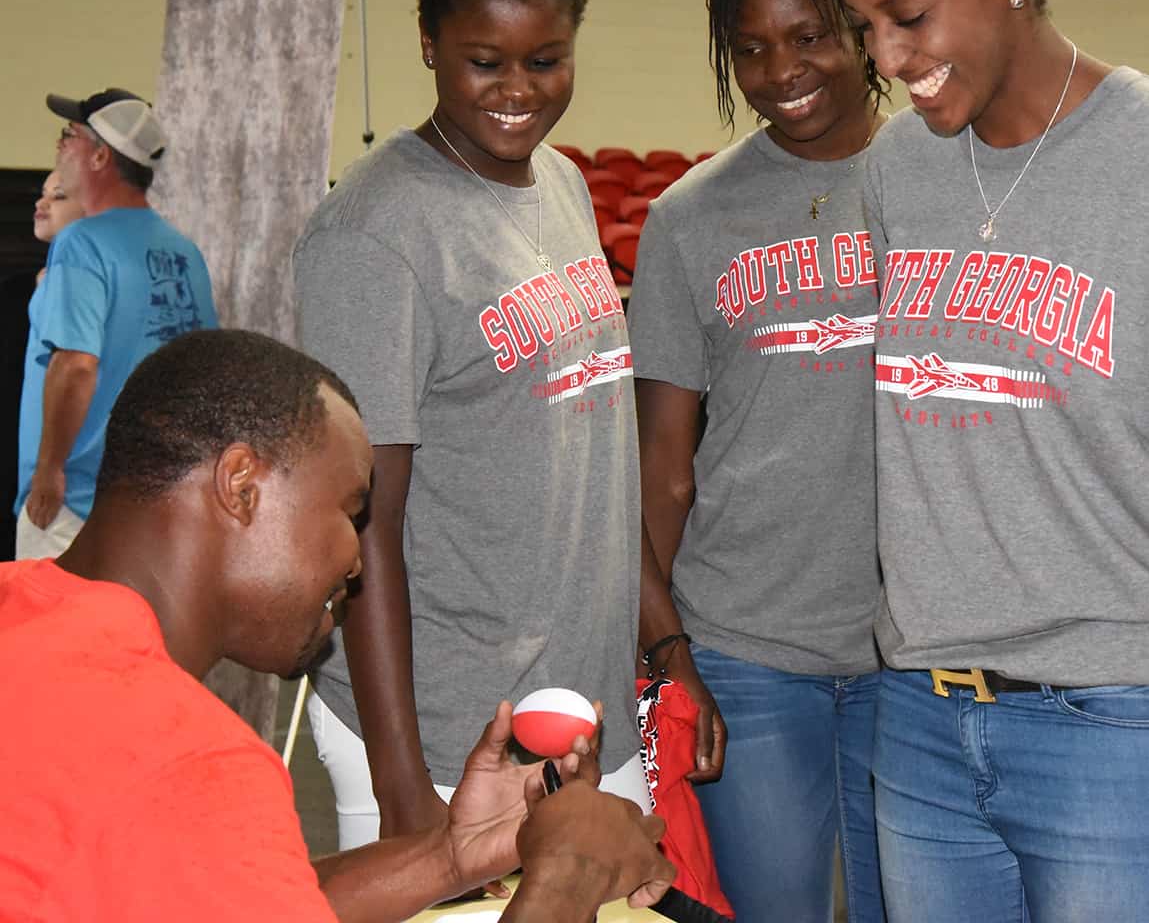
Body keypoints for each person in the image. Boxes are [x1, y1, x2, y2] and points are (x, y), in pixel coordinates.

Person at [0, 328, 676, 921]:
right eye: (350, 512)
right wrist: (564, 880)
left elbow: (236, 897)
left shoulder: (21, 617)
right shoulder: (183, 760)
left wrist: (452, 854)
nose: (356, 560)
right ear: (241, 487)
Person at [820, 0, 1149, 923]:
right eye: (865, 26)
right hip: (917, 716)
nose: (887, 62)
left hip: (1112, 723)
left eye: (907, 17)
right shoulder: (896, 170)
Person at [293, 0, 647, 861]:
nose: (517, 90)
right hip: (448, 729)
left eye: (545, 60)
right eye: (483, 61)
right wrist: (402, 783)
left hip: (581, 711)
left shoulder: (563, 183)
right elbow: (365, 524)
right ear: (426, 41)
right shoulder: (376, 236)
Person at [628, 0, 888, 922]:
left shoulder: (944, 190)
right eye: (751, 48)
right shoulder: (690, 219)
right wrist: (663, 656)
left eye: (809, 34)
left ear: (861, 26)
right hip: (745, 653)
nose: (783, 70)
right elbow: (664, 465)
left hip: (912, 658)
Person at [15, 88, 217, 559]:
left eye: (70, 136)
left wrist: (49, 471)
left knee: (55, 633)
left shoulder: (82, 243)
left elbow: (77, 364)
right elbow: (202, 377)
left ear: (101, 156)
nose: (60, 146)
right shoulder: (185, 253)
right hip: (150, 503)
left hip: (70, 503)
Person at [1, 170, 85, 561]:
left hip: (67, 488)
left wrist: (49, 471)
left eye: (60, 195)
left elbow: (76, 369)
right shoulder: (39, 281)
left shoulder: (80, 279)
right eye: (43, 193)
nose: (42, 203)